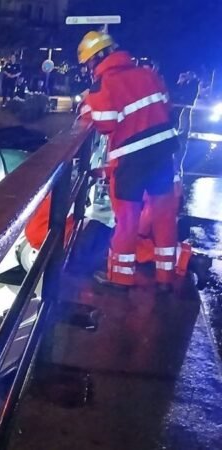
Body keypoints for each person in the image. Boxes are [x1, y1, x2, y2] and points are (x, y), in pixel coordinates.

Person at [77, 30, 179, 292]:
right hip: (163, 154)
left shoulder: (102, 86)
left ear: (97, 58)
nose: (89, 69)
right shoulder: (148, 73)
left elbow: (106, 124)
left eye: (88, 63)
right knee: (164, 215)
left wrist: (88, 104)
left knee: (127, 219)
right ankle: (165, 279)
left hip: (131, 161)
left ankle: (121, 278)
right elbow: (166, 107)